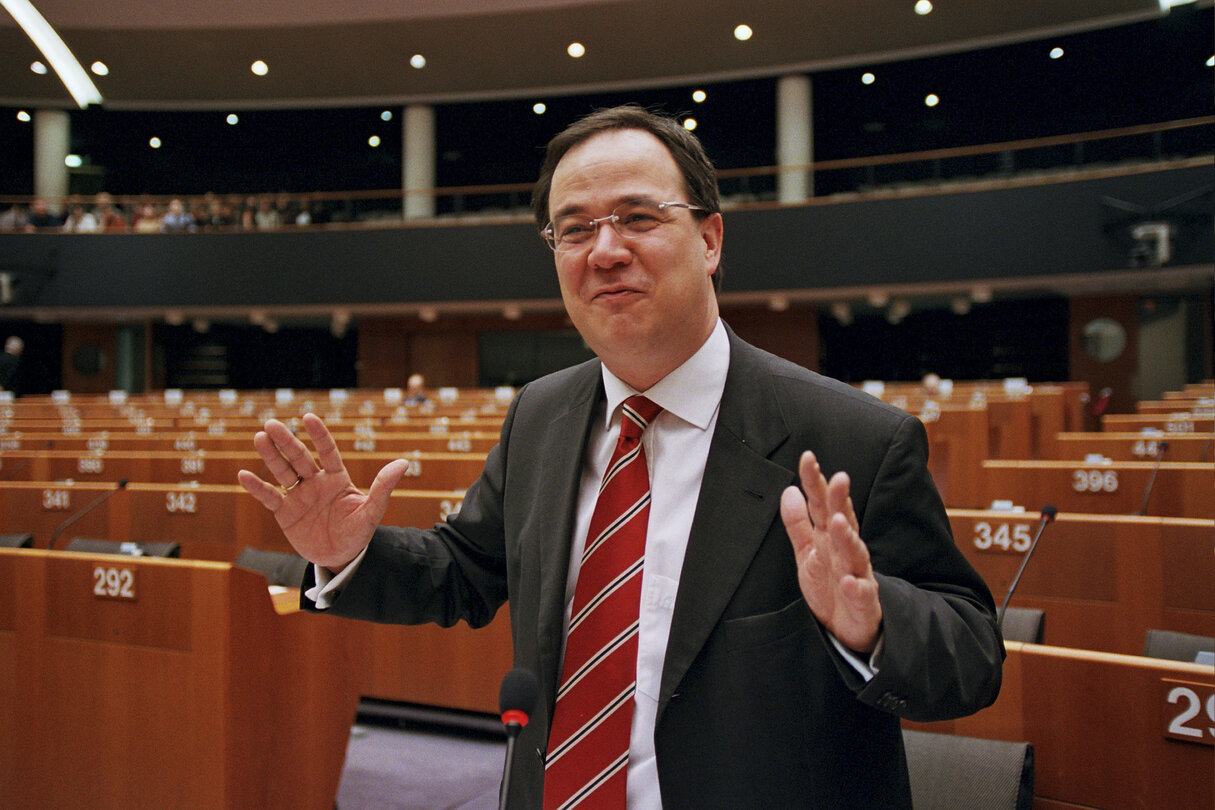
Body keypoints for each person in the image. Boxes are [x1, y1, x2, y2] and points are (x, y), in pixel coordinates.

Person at [239, 105, 1002, 809]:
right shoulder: (539, 414)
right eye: (573, 229)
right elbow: (465, 570)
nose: (604, 250)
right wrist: (351, 556)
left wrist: (867, 627)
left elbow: (971, 653)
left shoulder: (851, 437)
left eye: (638, 217)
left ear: (708, 240)